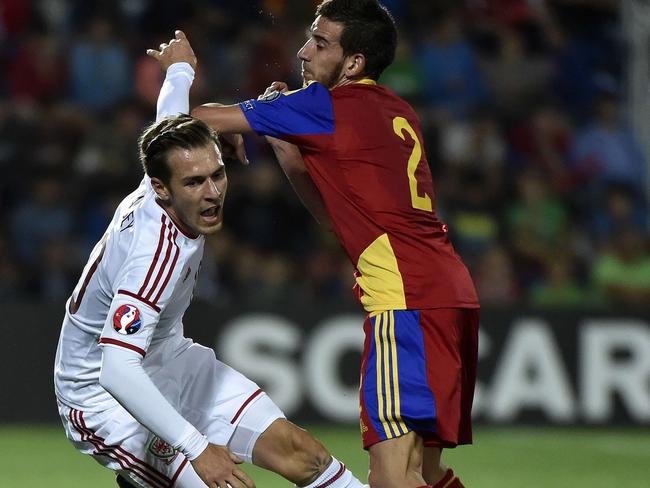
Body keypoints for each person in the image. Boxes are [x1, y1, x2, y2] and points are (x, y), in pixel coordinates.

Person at [54, 30, 368, 488]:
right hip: (100, 396)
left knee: (304, 457)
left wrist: (181, 68)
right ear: (161, 189)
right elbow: (117, 368)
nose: (212, 193)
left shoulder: (165, 166)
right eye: (195, 182)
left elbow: (172, 115)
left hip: (171, 361)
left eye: (217, 175)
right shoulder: (153, 251)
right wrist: (198, 449)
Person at [190, 1, 480, 487]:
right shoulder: (395, 109)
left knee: (391, 478)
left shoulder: (326, 105)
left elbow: (200, 117)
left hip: (405, 302)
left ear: (353, 63)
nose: (303, 52)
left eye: (320, 43)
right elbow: (332, 215)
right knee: (425, 473)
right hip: (449, 296)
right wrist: (281, 135)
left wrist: (244, 112)